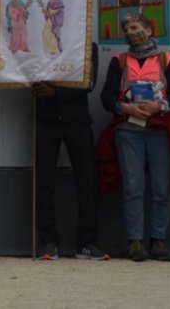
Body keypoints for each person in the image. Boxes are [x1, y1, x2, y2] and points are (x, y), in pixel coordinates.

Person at [97, 13, 170, 262]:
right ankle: (135, 242)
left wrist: (160, 107)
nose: (129, 31)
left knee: (161, 187)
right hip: (128, 131)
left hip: (159, 130)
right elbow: (106, 97)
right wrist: (123, 108)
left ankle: (158, 241)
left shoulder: (166, 59)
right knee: (133, 186)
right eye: (126, 28)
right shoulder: (119, 60)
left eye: (135, 27)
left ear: (149, 30)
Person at [32, 42, 107, 260]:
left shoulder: (87, 45)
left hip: (78, 121)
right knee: (43, 182)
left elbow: (88, 82)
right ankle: (48, 242)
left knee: (87, 182)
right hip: (46, 121)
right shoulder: (40, 41)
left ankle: (87, 243)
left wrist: (55, 92)